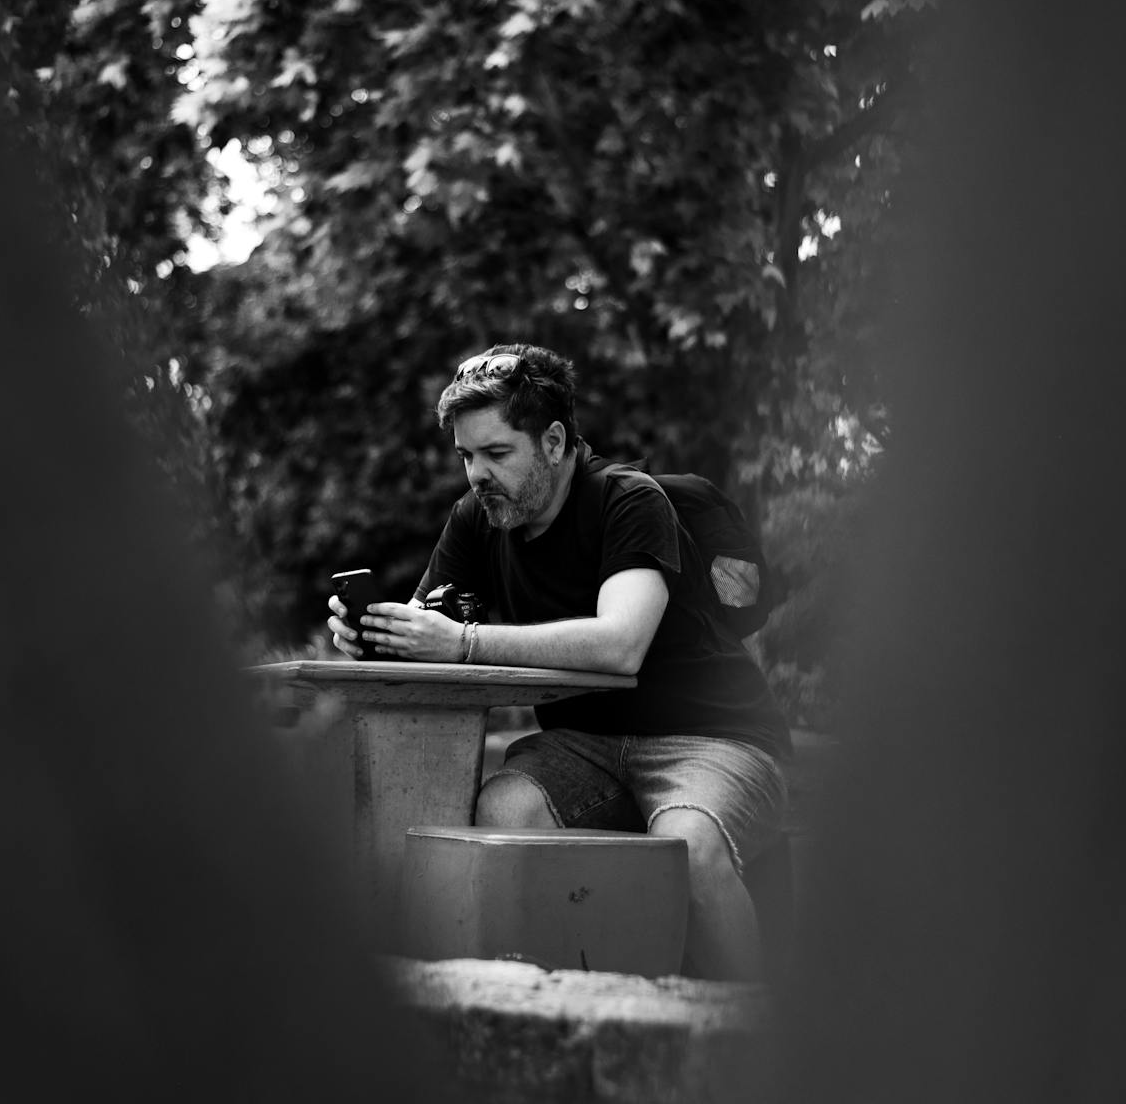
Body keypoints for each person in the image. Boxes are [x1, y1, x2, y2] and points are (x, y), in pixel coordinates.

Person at [326, 343, 791, 980]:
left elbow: (619, 643)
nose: (476, 476)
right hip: (583, 745)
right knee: (502, 819)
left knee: (691, 849)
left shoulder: (629, 500)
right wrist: (378, 637)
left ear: (552, 441)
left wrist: (464, 643)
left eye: (496, 453)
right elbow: (426, 634)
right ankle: (538, 1018)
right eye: (466, 456)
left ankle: (752, 1047)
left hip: (711, 737)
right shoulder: (477, 519)